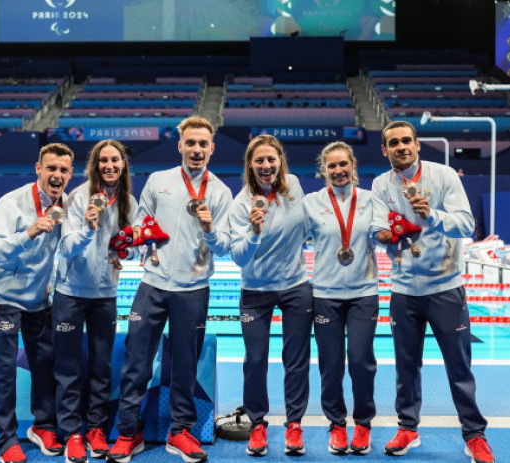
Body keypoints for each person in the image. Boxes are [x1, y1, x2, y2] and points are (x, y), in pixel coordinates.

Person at [108, 116, 232, 463]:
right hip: (152, 285)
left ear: (211, 148)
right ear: (180, 146)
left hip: (193, 289)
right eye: (190, 143)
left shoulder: (221, 191)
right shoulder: (158, 181)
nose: (196, 149)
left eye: (202, 144)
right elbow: (138, 227)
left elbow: (224, 247)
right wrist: (125, 247)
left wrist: (209, 229)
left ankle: (180, 432)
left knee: (184, 366)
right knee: (136, 362)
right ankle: (129, 433)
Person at [371, 121, 495, 463]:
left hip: (445, 288)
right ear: (385, 150)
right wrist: (384, 234)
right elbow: (378, 227)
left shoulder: (443, 176)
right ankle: (408, 428)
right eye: (393, 143)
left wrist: (433, 215)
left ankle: (474, 435)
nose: (401, 147)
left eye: (406, 141)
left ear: (417, 144)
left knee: (459, 367)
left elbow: (467, 224)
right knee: (406, 366)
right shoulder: (382, 184)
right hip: (404, 291)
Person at [0, 143, 74, 463]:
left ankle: (43, 426)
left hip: (39, 300)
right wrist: (28, 233)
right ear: (38, 169)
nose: (56, 175)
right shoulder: (13, 203)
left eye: (63, 170)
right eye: (51, 168)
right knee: (4, 371)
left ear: (70, 174)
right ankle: (5, 439)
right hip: (5, 298)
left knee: (45, 365)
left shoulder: (68, 205)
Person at [53, 139, 138, 463]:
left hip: (105, 295)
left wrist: (124, 250)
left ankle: (96, 429)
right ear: (95, 164)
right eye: (104, 160)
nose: (110, 165)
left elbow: (131, 244)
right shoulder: (78, 197)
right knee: (69, 367)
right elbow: (66, 247)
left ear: (123, 164)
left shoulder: (128, 201)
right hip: (72, 293)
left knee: (101, 367)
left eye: (115, 160)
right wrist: (89, 229)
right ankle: (73, 433)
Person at [228, 134, 313, 457]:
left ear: (281, 161)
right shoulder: (240, 204)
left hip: (295, 287)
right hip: (255, 292)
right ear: (250, 165)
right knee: (255, 361)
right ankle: (258, 424)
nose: (266, 166)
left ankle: (294, 424)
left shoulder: (293, 186)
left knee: (296, 361)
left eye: (271, 160)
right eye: (259, 161)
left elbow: (306, 228)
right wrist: (253, 231)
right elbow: (238, 257)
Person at [303, 141, 378, 455]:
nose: (338, 171)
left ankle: (363, 423)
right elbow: (293, 239)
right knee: (330, 365)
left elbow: (389, 234)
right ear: (324, 171)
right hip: (325, 294)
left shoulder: (373, 200)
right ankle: (336, 423)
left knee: (361, 361)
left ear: (353, 166)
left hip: (364, 293)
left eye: (343, 164)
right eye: (331, 166)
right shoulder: (310, 202)